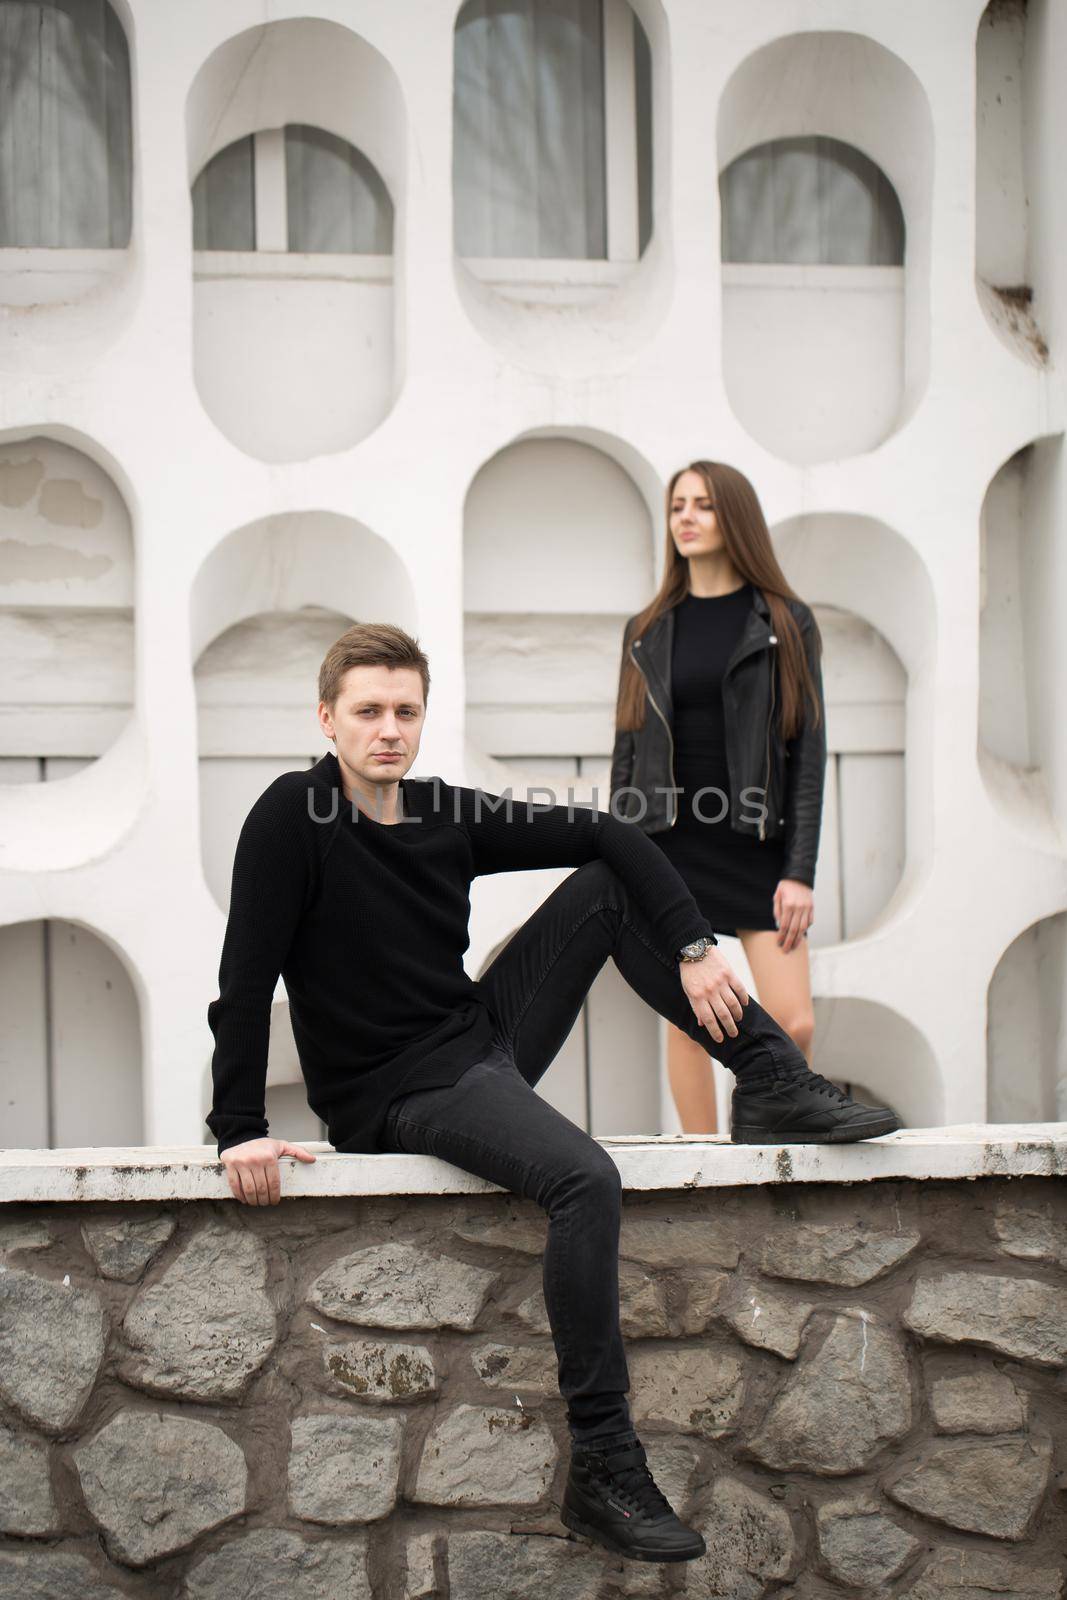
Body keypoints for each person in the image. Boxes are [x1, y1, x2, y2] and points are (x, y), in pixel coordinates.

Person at [207, 622, 898, 1565]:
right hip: (392, 1095)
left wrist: (697, 948)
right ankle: (605, 1467)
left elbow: (611, 830)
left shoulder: (442, 810)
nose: (388, 731)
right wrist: (237, 1128)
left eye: (405, 711)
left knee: (611, 880)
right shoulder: (294, 816)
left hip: (477, 1041)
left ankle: (771, 1078)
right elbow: (244, 985)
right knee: (584, 1178)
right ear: (326, 717)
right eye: (367, 711)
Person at [611, 460, 825, 1136]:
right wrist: (625, 855)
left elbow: (808, 751)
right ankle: (707, 1167)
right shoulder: (646, 627)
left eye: (702, 504)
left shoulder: (785, 622)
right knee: (693, 1021)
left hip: (756, 847)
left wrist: (798, 872)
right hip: (671, 846)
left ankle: (761, 1136)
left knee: (793, 1020)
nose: (686, 517)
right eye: (678, 505)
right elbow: (626, 748)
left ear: (733, 517)